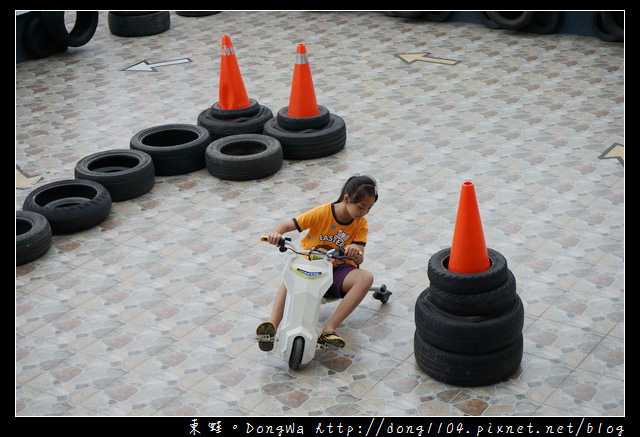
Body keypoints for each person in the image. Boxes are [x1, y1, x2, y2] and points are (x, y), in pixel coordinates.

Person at [256, 174, 379, 351]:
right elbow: (284, 226)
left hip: (337, 270)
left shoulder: (361, 224)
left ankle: (329, 329)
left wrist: (354, 251)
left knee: (366, 278)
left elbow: (360, 257)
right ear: (346, 198)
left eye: (369, 208)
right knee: (289, 275)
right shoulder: (322, 213)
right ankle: (272, 326)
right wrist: (276, 234)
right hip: (309, 264)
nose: (364, 212)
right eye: (361, 207)